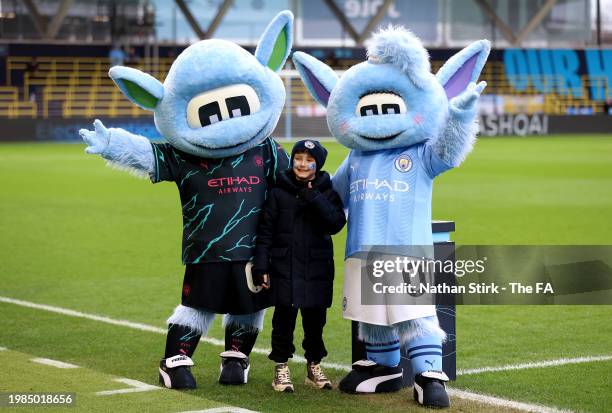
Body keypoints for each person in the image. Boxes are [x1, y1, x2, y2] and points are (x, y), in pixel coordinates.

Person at [252, 139, 346, 393]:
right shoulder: (278, 191)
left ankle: (313, 365)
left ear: (318, 164)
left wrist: (313, 196)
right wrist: (261, 267)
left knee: (315, 321)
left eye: (308, 160)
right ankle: (281, 368)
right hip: (283, 267)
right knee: (283, 320)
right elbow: (265, 232)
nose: (302, 164)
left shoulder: (327, 191)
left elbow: (336, 224)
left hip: (317, 268)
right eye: (298, 158)